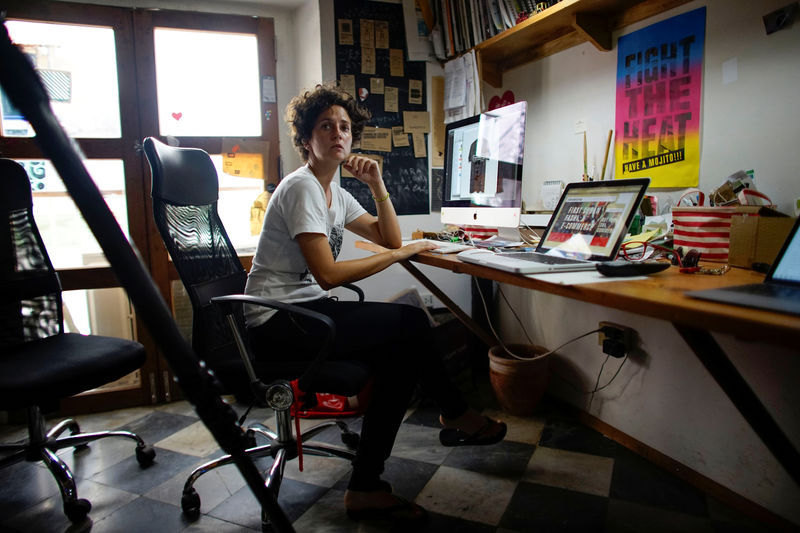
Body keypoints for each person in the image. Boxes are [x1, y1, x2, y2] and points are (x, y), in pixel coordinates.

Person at [244, 82, 506, 523]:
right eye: (326, 126)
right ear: (306, 138)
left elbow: (390, 237)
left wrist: (378, 183)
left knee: (401, 351)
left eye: (345, 127)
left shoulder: (336, 192)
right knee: (409, 325)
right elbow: (330, 273)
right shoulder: (302, 188)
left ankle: (367, 486)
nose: (338, 134)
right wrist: (396, 257)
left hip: (305, 311)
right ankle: (454, 414)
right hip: (275, 320)